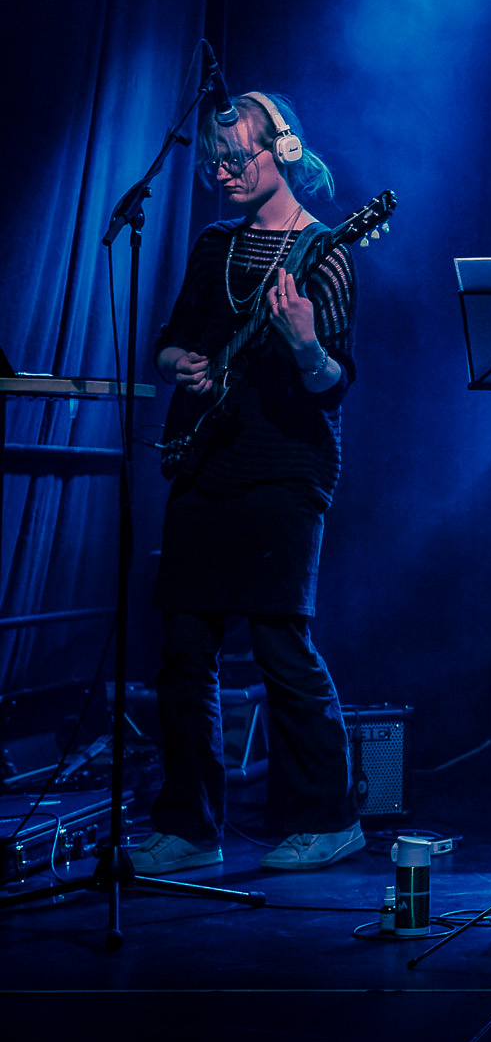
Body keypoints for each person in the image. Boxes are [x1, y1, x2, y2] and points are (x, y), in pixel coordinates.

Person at [134, 91, 364, 875]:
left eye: (237, 157)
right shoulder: (214, 245)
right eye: (215, 161)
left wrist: (305, 345)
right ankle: (191, 825)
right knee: (183, 646)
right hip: (206, 459)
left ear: (284, 150)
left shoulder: (327, 252)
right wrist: (179, 363)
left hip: (287, 467)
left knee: (278, 642)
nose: (224, 173)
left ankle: (329, 817)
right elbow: (169, 340)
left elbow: (333, 384)